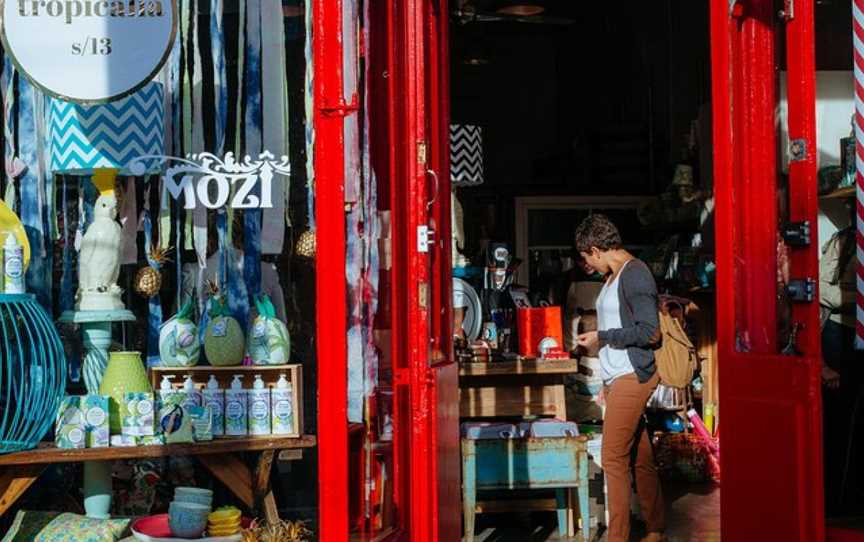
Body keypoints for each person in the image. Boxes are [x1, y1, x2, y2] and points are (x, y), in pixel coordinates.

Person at [574, 214, 665, 542]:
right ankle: (655, 528)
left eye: (587, 259)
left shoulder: (635, 275)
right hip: (618, 379)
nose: (589, 266)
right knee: (639, 457)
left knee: (612, 457)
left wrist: (603, 336)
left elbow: (650, 332)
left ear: (596, 249)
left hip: (633, 375)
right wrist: (607, 384)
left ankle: (618, 537)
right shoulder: (613, 277)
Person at [819, 201, 861, 516]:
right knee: (839, 420)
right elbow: (818, 286)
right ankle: (835, 499)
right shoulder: (842, 241)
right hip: (840, 334)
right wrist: (852, 300)